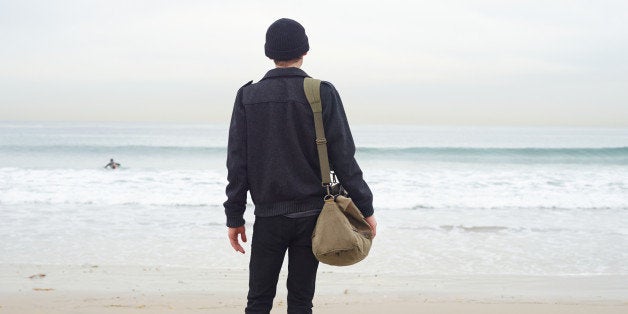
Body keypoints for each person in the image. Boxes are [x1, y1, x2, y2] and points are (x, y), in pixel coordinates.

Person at [224, 18, 377, 314]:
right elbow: (344, 158)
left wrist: (234, 216)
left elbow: (237, 163)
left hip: (268, 217)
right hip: (312, 216)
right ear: (304, 50)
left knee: (257, 301)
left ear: (269, 53)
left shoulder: (248, 95)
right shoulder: (322, 92)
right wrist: (365, 208)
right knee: (301, 301)